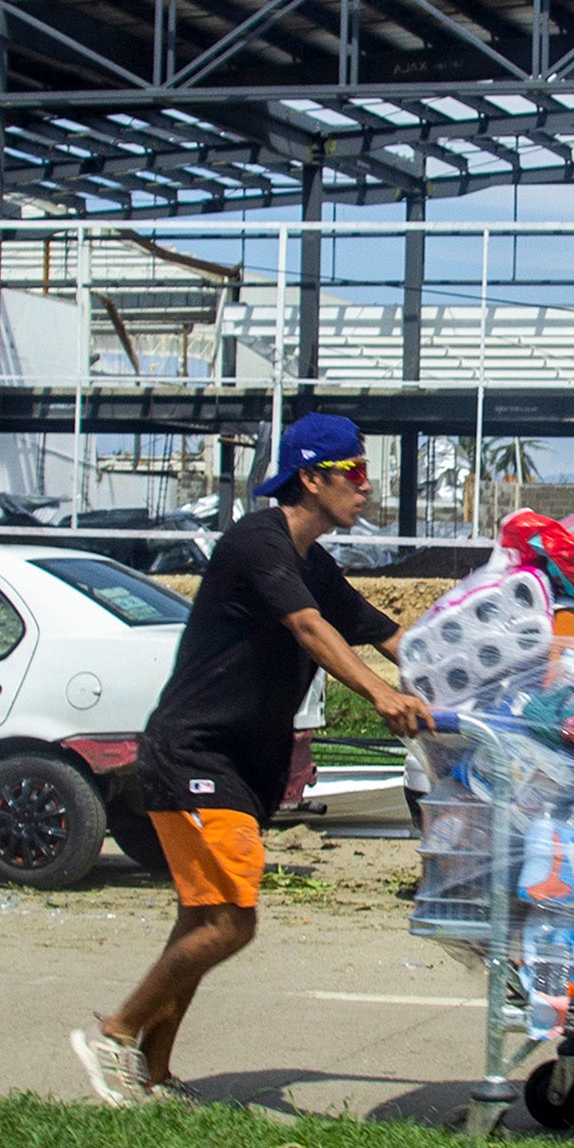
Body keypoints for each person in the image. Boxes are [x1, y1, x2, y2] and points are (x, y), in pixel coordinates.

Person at [72, 414, 432, 1105]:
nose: (367, 488)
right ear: (310, 478)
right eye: (353, 473)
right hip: (194, 756)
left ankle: (154, 1069)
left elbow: (387, 634)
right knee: (231, 923)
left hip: (235, 764)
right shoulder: (257, 544)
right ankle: (114, 1035)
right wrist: (381, 696)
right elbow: (309, 628)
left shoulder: (313, 562)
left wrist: (479, 679)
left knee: (200, 921)